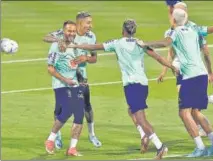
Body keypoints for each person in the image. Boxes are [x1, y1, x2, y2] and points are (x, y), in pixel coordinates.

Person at [67, 19, 179, 159]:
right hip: (142, 84)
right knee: (131, 110)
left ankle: (159, 146)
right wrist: (172, 67)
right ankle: (143, 134)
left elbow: (94, 46)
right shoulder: (141, 43)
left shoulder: (117, 43)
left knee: (141, 118)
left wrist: (75, 45)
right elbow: (157, 57)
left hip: (132, 85)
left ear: (123, 30)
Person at [137, 9, 213, 157]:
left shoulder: (174, 32)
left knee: (184, 112)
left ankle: (200, 147)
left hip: (190, 77)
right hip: (201, 74)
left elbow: (164, 43)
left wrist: (144, 43)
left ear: (173, 21)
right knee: (195, 112)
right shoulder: (195, 28)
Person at [43, 11, 101, 148]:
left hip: (82, 78)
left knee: (86, 107)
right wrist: (59, 40)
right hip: (65, 77)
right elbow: (46, 37)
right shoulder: (66, 33)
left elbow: (94, 58)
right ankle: (57, 136)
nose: (91, 25)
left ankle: (92, 135)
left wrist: (86, 58)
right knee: (60, 107)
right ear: (80, 23)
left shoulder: (91, 36)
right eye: (88, 22)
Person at [158, 1, 213, 137]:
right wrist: (164, 70)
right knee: (190, 107)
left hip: (190, 72)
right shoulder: (175, 28)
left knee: (186, 109)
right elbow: (171, 51)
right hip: (182, 69)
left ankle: (200, 139)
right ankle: (205, 135)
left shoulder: (194, 28)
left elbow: (205, 50)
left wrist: (211, 72)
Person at [44, 20, 85, 156]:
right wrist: (65, 79)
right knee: (67, 111)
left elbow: (75, 65)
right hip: (61, 85)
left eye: (73, 31)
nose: (71, 33)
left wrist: (81, 79)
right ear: (63, 31)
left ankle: (72, 148)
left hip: (75, 84)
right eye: (69, 31)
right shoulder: (56, 46)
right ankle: (50, 139)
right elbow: (50, 68)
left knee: (79, 115)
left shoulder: (75, 46)